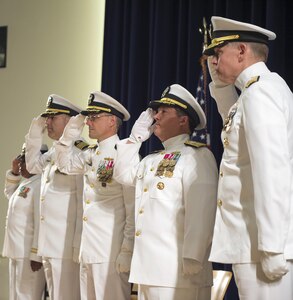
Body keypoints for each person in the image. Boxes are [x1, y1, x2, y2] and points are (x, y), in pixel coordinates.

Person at [203, 16, 293, 300]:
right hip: (254, 241)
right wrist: (219, 86)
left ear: (241, 51)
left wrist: (271, 246)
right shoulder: (257, 90)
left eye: (218, 53)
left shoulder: (259, 92)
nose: (215, 61)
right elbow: (235, 127)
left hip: (260, 244)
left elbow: (272, 172)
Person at [113, 84, 218, 300]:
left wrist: (194, 257)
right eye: (156, 112)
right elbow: (122, 175)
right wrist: (134, 140)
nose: (156, 117)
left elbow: (202, 211)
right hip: (147, 270)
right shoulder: (152, 159)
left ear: (183, 120)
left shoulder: (196, 156)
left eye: (163, 112)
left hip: (179, 272)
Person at [54, 91, 135, 300]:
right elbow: (63, 163)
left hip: (111, 251)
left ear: (111, 121)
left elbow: (132, 208)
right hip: (88, 248)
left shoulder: (123, 153)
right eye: (88, 118)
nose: (88, 123)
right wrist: (72, 128)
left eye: (93, 118)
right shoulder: (91, 153)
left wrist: (126, 251)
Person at [25, 94, 84, 300]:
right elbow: (31, 166)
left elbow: (82, 205)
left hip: (67, 246)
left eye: (53, 117)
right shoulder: (52, 153)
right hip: (50, 244)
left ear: (69, 121)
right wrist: (35, 133)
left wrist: (77, 246)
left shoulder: (79, 153)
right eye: (47, 118)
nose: (47, 122)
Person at [2, 143, 47, 300]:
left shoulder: (41, 184)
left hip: (29, 254)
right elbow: (10, 195)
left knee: (28, 296)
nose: (20, 163)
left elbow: (41, 222)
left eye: (24, 159)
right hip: (16, 250)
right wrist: (14, 173)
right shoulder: (26, 182)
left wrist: (36, 255)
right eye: (20, 159)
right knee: (15, 295)